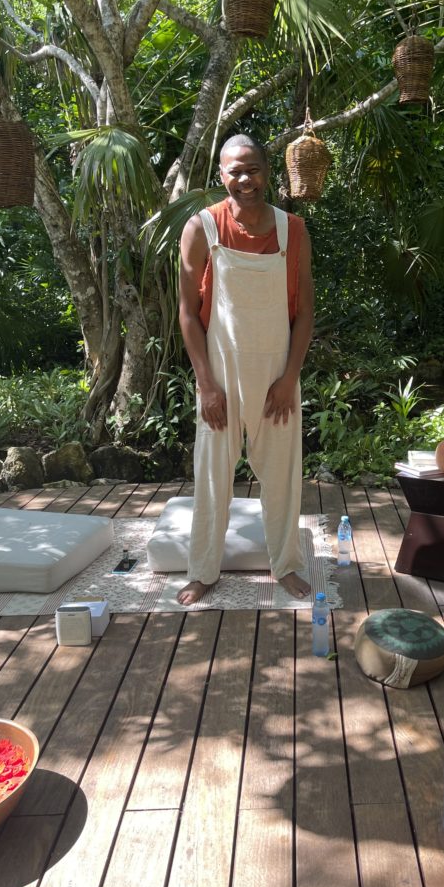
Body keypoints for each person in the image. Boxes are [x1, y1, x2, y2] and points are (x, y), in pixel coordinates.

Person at [176, 134, 314, 604]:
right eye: (235, 171)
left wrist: (289, 378)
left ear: (267, 170)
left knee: (283, 476)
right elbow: (187, 313)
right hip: (220, 378)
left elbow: (305, 315)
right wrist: (206, 385)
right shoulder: (202, 228)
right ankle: (202, 571)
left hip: (278, 377)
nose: (245, 179)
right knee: (212, 476)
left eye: (252, 168)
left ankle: (287, 565)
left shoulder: (292, 230)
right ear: (221, 175)